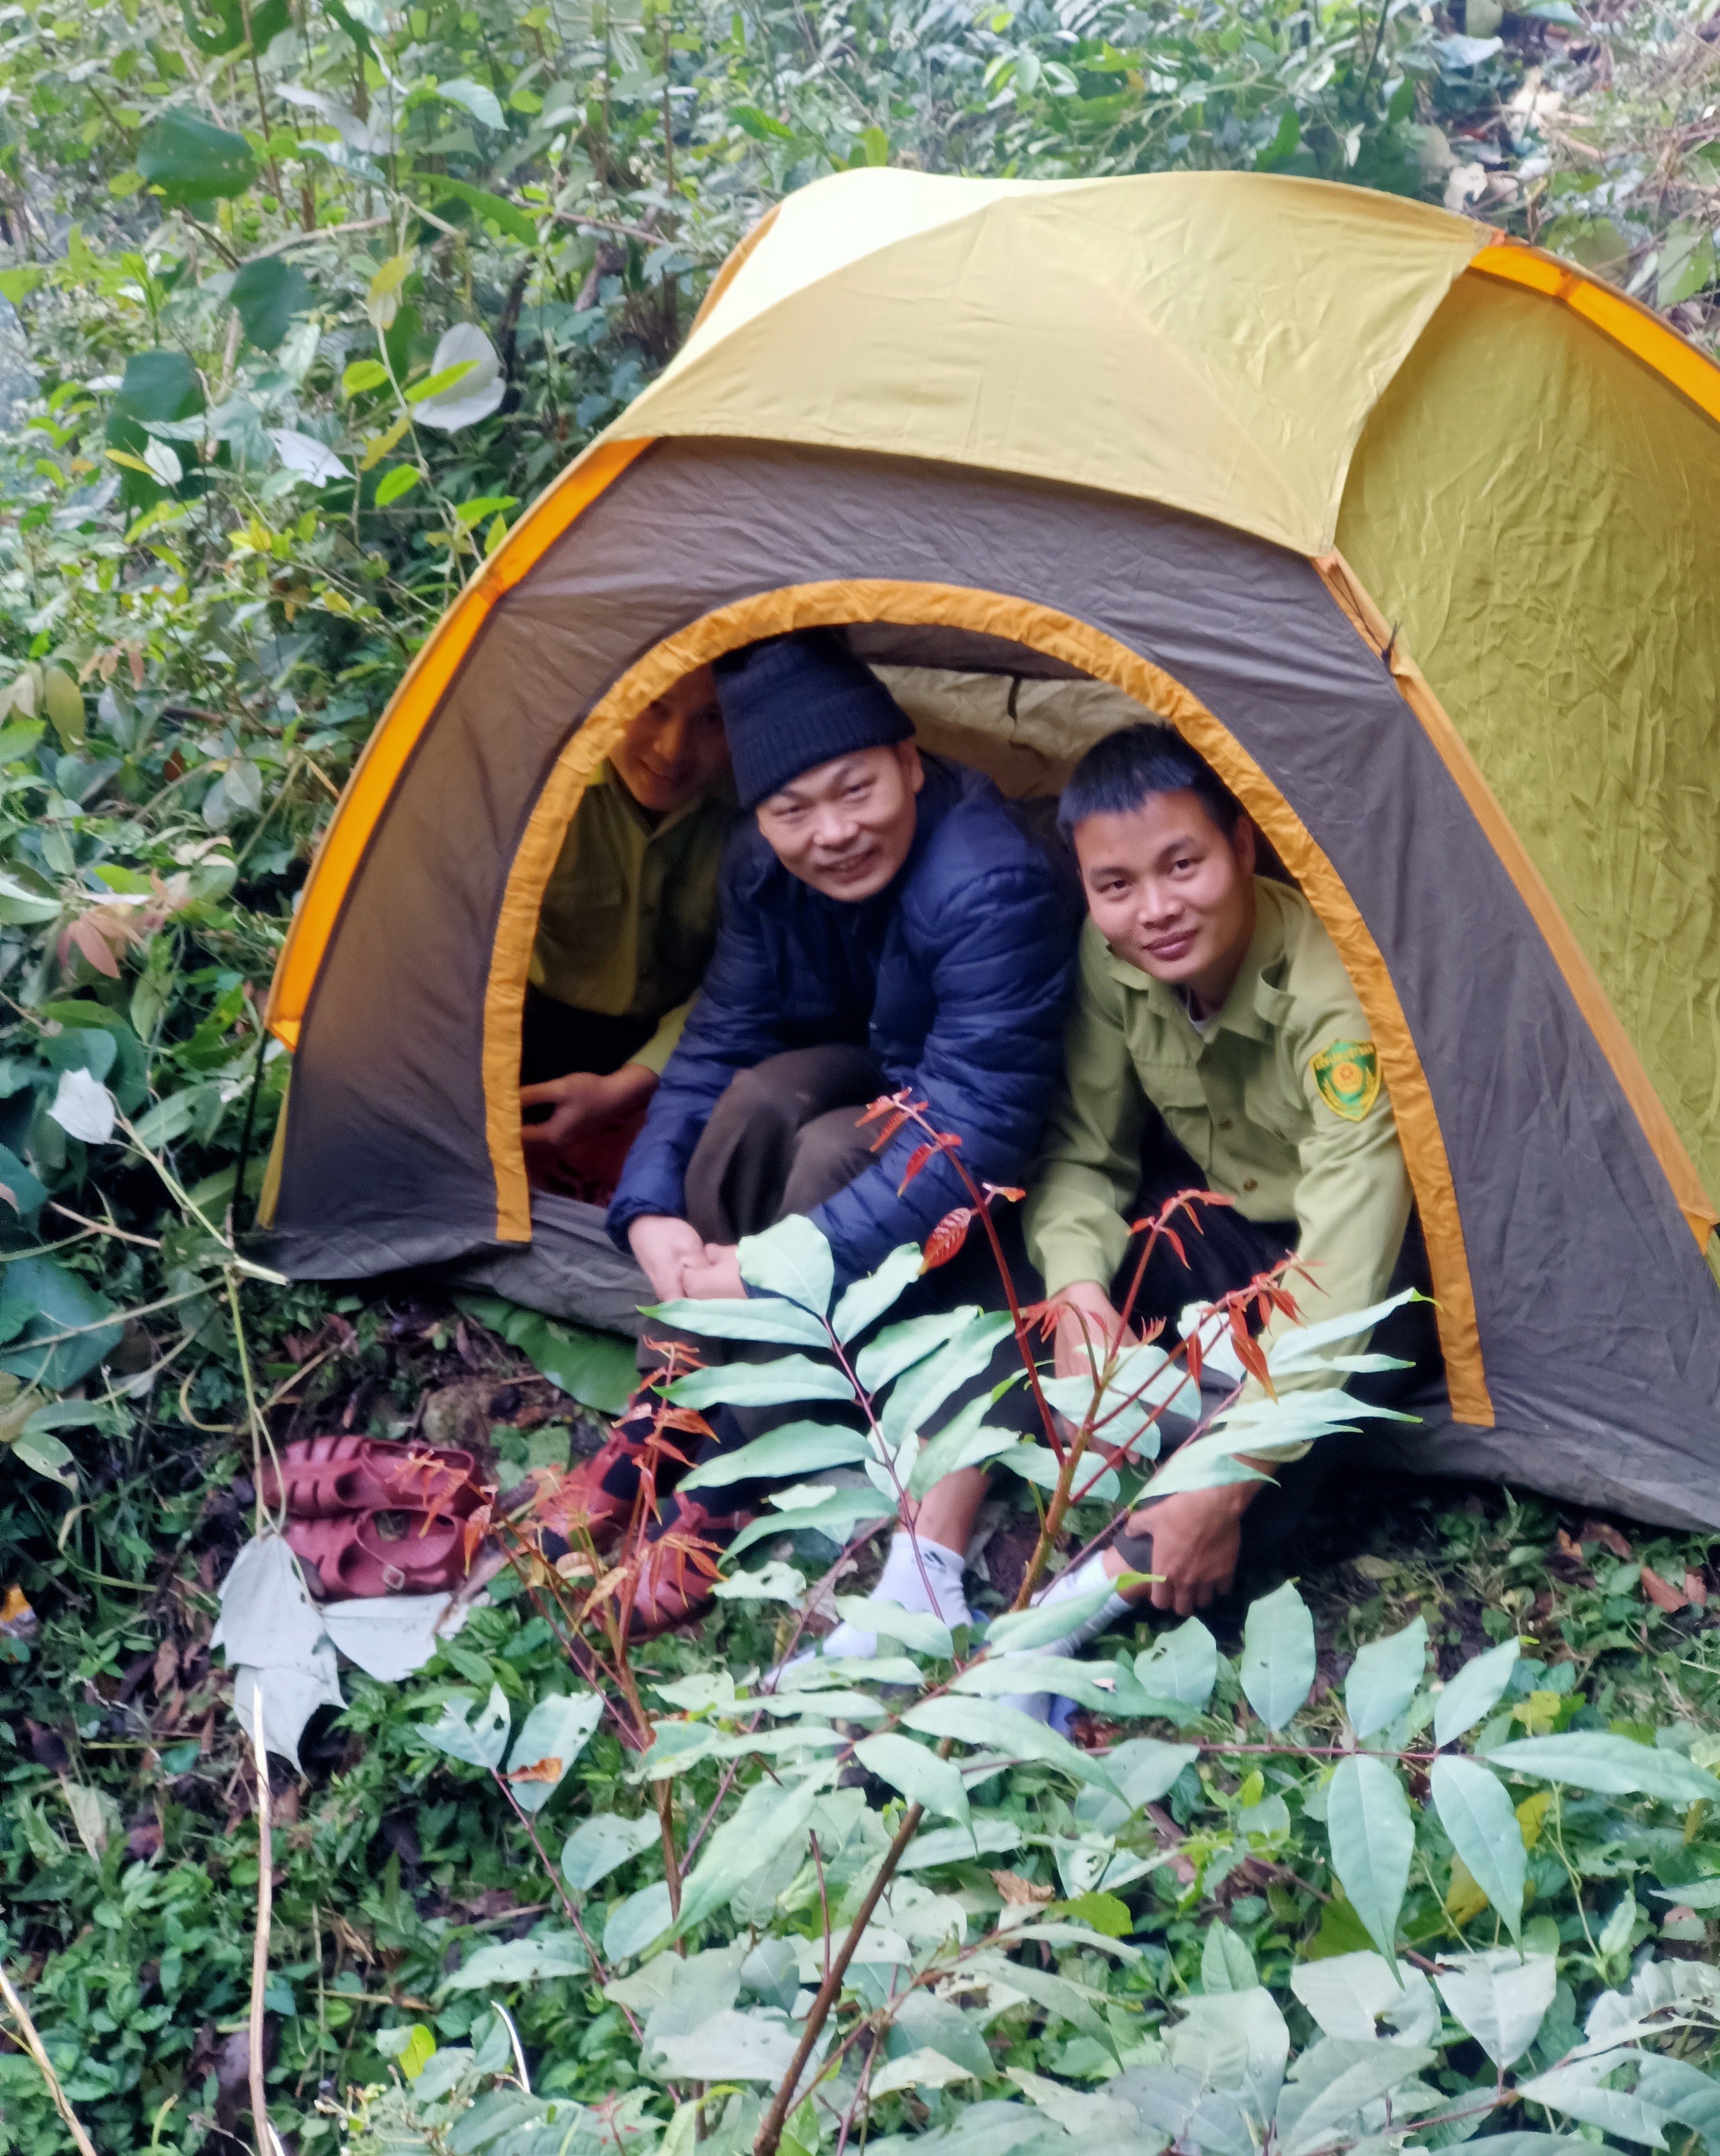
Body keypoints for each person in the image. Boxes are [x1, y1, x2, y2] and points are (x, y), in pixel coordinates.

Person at [812, 720, 1440, 1691]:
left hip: (1355, 1247)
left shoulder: (1331, 1002)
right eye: (1115, 886)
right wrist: (1079, 1296)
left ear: (1242, 845)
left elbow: (1347, 1275)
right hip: (1219, 1215)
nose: (1155, 910)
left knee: (1310, 1401)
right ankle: (922, 1572)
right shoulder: (1113, 962)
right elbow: (1082, 1151)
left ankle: (1050, 1633)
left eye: (1181, 864)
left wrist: (1230, 1480)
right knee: (1019, 1244)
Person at [552, 628, 1080, 1629]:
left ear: (910, 766)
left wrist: (776, 1263)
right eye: (792, 809)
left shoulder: (988, 880)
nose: (830, 832)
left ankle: (743, 1458)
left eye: (855, 791)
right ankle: (671, 1401)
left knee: (836, 1150)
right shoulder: (762, 865)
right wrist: (651, 1204)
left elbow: (981, 1130)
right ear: (760, 815)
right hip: (889, 1062)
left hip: (1003, 1147)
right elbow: (719, 1037)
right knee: (759, 1098)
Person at [519, 664, 735, 1199]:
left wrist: (625, 1086)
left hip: (683, 1046)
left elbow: (739, 986)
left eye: (712, 718)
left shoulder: (761, 815)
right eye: (652, 705)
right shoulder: (535, 790)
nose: (672, 749)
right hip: (530, 1025)